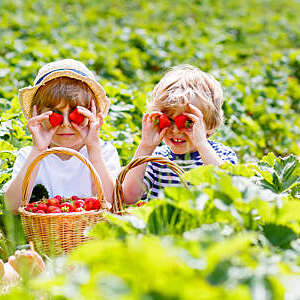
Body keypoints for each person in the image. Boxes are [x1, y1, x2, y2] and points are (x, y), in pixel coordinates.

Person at [4, 59, 121, 213]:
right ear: (38, 114)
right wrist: (38, 149)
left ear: (92, 114)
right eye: (55, 115)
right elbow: (11, 206)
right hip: (44, 234)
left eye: (76, 114)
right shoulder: (29, 155)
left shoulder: (104, 152)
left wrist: (93, 146)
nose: (65, 124)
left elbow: (112, 204)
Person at [122, 65, 238, 203]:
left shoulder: (221, 155)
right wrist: (146, 146)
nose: (176, 130)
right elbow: (128, 197)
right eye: (168, 120)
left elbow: (229, 191)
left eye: (188, 122)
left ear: (211, 126)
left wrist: (202, 145)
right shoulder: (157, 159)